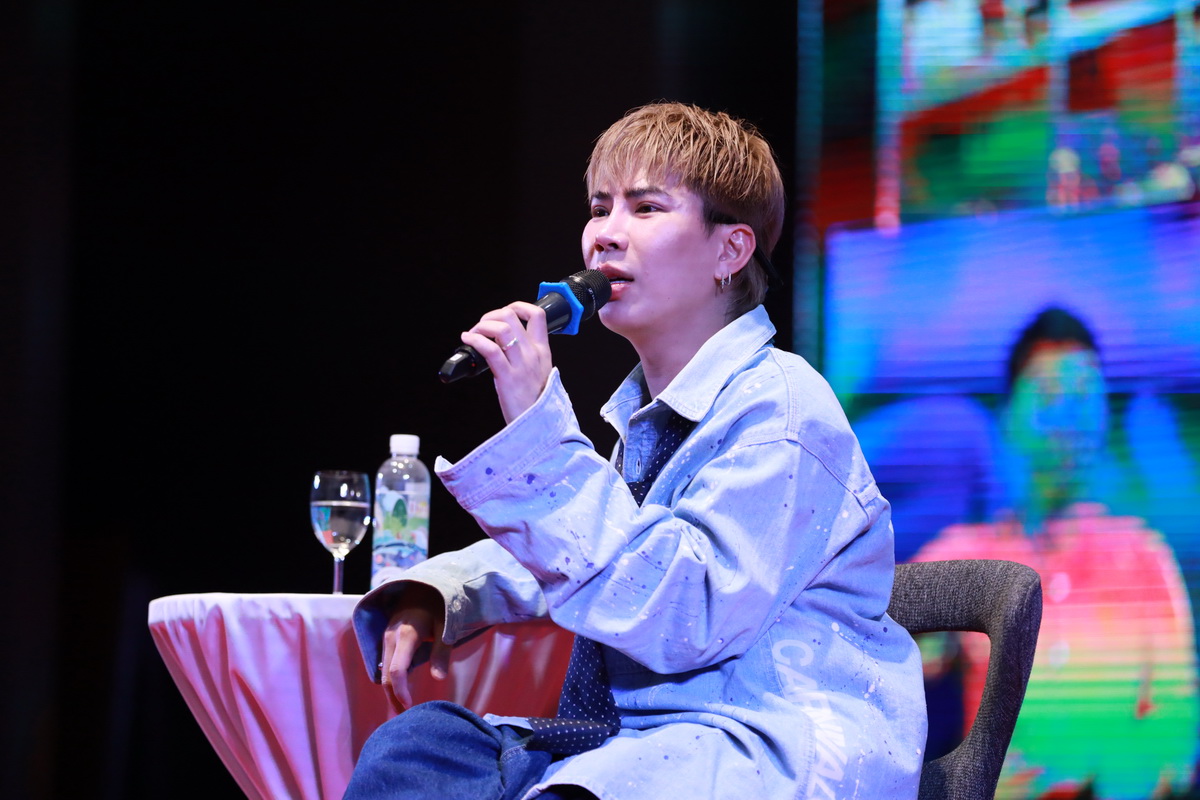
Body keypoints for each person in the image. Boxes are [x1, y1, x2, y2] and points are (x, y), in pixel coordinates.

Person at [343, 101, 928, 800]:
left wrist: (538, 432)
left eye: (645, 208)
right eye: (600, 208)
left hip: (756, 741)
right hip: (638, 744)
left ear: (730, 251)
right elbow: (607, 544)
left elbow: (681, 611)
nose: (605, 236)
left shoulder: (783, 409)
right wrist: (442, 594)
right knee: (419, 750)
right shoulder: (652, 419)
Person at [912, 306, 1200, 799]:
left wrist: (1090, 766)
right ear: (1009, 416)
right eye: (1048, 395)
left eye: (1084, 395)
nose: (1068, 417)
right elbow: (868, 648)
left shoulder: (1144, 558)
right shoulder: (968, 557)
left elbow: (1179, 737)